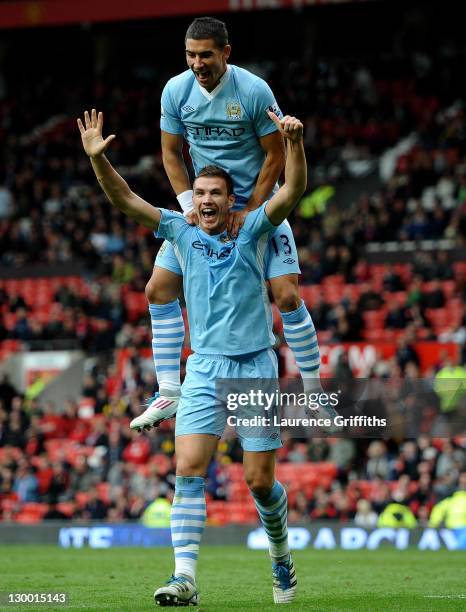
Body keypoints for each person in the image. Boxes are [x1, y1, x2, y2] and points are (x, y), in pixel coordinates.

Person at [78, 107, 305, 605]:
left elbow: (290, 192)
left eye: (215, 194)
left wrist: (293, 145)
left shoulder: (253, 230)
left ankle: (281, 556)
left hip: (254, 367)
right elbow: (125, 199)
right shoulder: (179, 232)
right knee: (188, 470)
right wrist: (98, 160)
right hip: (203, 366)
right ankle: (184, 577)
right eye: (199, 193)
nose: (205, 200)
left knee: (260, 483)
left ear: (230, 201)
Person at [130, 16, 323, 431]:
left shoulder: (253, 90)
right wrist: (189, 206)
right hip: (208, 206)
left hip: (257, 207)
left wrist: (251, 210)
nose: (197, 63)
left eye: (205, 55)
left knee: (287, 297)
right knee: (157, 288)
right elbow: (170, 153)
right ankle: (168, 392)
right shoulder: (175, 91)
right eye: (190, 55)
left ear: (225, 53)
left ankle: (314, 393)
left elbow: (273, 156)